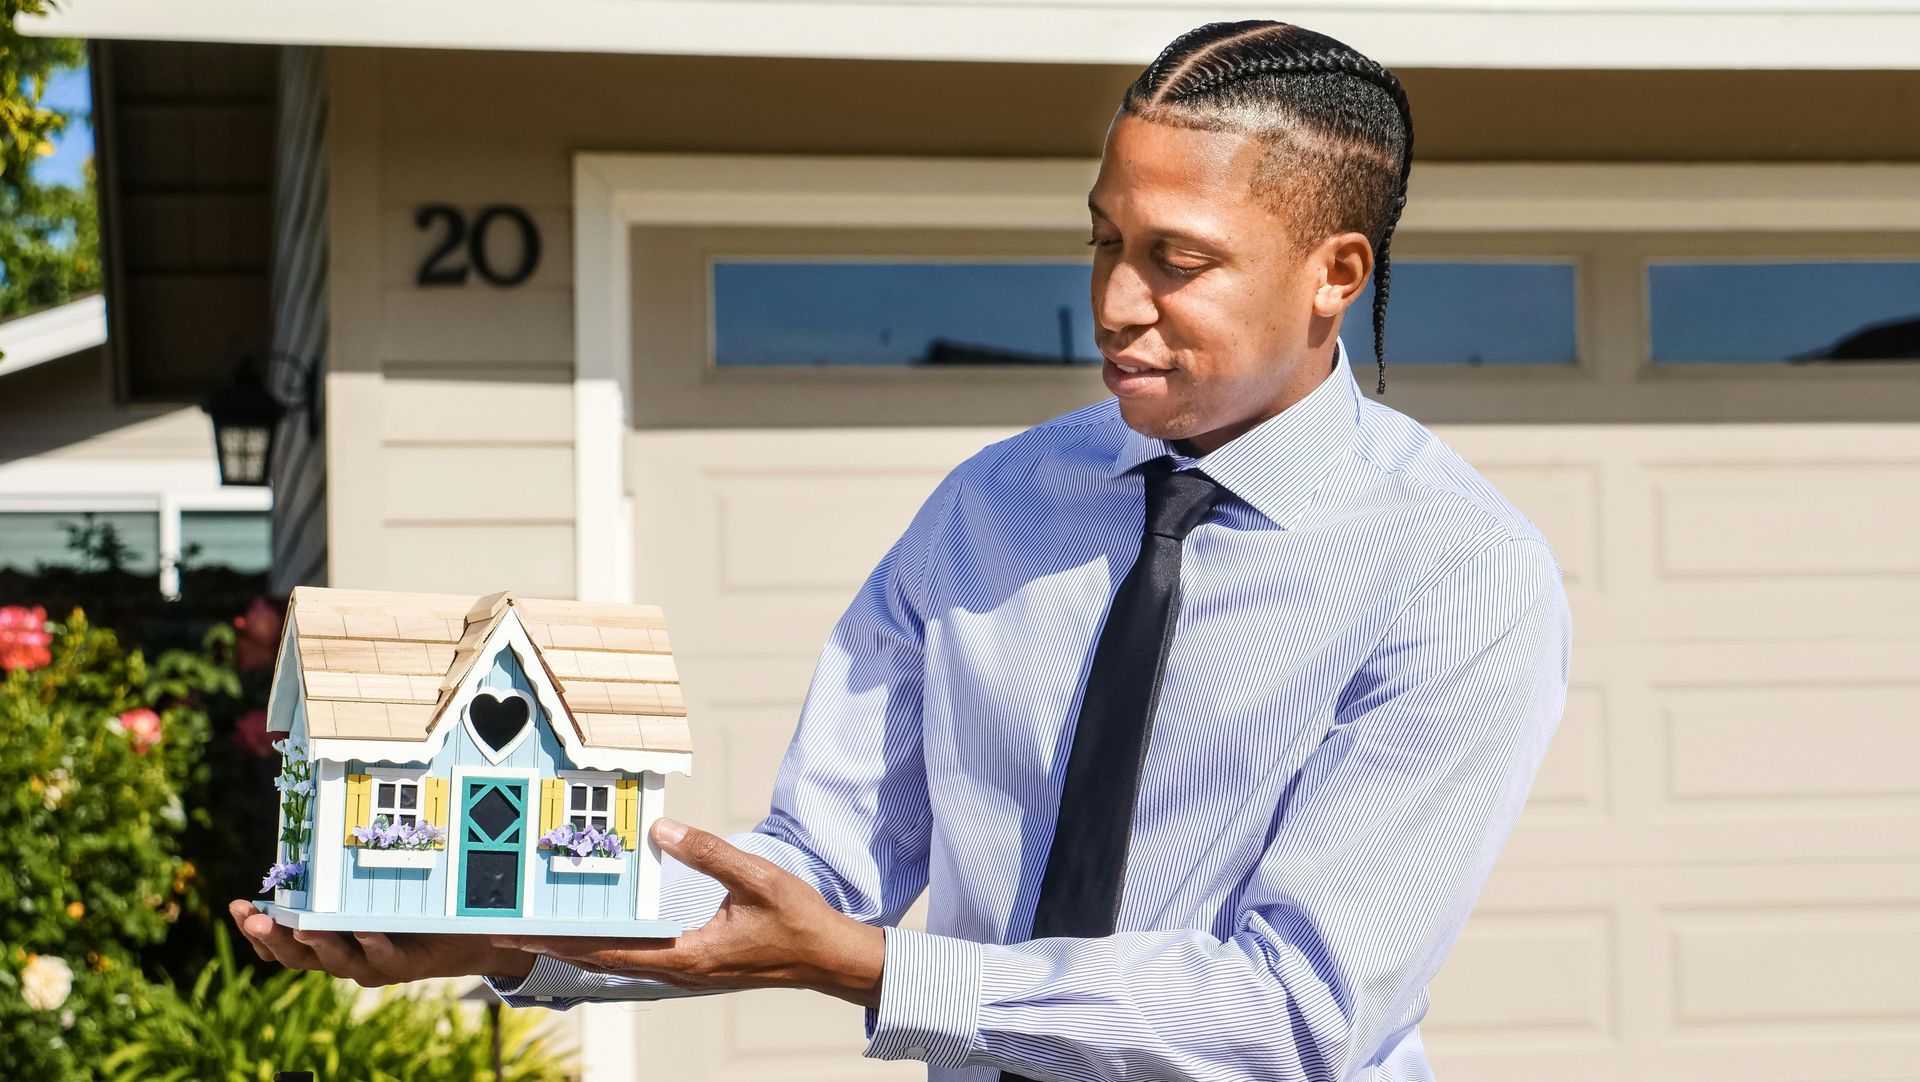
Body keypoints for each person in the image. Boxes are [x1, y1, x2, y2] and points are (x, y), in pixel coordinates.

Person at [231, 19, 1572, 1081]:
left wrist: (883, 970)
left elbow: (1296, 1008)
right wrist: (508, 931)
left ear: (1336, 271)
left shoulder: (1457, 579)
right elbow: (812, 869)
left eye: (1177, 260)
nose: (1112, 302)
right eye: (1104, 238)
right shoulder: (993, 507)